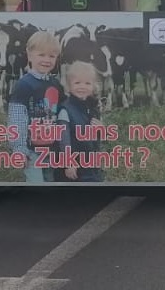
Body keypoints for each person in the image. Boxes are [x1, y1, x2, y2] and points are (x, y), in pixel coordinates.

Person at [7, 30, 64, 183]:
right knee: (36, 183)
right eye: (41, 55)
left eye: (51, 56)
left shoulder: (55, 84)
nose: (47, 60)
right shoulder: (24, 85)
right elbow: (17, 119)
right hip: (32, 150)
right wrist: (19, 148)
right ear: (30, 54)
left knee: (50, 180)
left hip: (51, 148)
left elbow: (63, 112)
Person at [54, 62, 107, 182]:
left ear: (93, 86)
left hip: (92, 165)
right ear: (68, 86)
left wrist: (102, 130)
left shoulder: (94, 108)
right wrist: (68, 162)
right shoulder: (65, 109)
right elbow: (63, 139)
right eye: (77, 83)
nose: (82, 86)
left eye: (87, 83)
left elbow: (99, 139)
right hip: (75, 168)